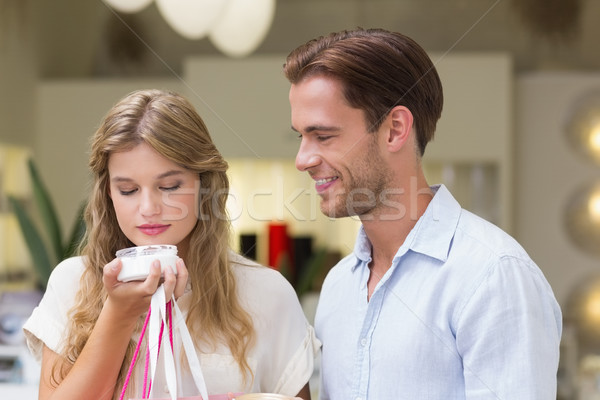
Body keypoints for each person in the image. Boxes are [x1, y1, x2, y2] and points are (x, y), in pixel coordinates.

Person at [283, 28, 562, 399]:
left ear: (395, 129)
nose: (303, 159)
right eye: (300, 136)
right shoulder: (338, 287)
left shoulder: (493, 277)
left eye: (323, 136)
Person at [23, 89, 319, 400]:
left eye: (169, 186)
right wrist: (119, 314)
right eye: (128, 190)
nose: (148, 208)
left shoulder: (268, 293)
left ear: (203, 185)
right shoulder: (71, 283)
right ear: (108, 193)